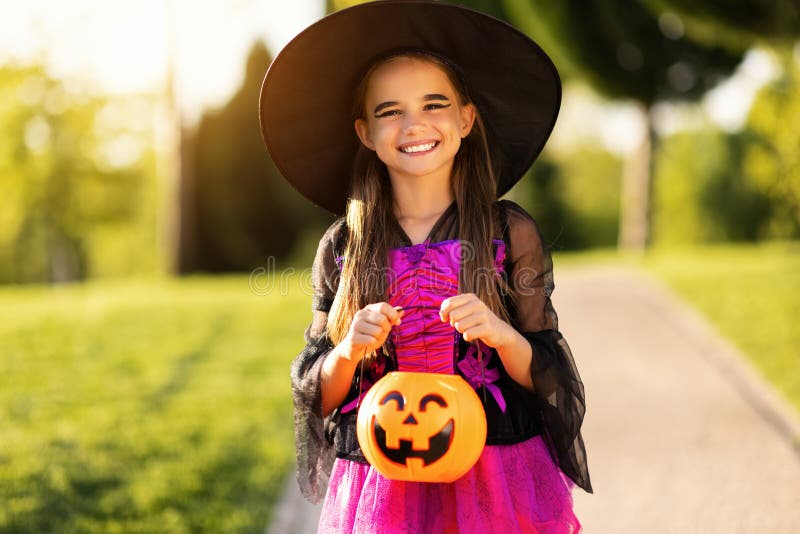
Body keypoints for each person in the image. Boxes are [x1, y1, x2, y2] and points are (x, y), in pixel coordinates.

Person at [259, 2, 592, 532]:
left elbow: (549, 373)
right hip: (383, 475)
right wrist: (348, 352)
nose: (414, 124)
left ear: (465, 120)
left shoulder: (507, 232)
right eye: (390, 111)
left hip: (493, 470)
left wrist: (502, 335)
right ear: (365, 132)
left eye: (434, 104)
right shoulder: (347, 245)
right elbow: (316, 393)